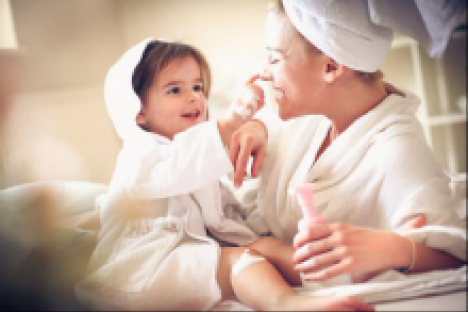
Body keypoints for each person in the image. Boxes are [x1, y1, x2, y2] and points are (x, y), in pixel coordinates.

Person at [74, 38, 375, 311]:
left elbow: (223, 211)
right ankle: (287, 304)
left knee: (263, 247)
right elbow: (182, 166)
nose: (193, 98)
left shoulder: (195, 154)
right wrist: (234, 119)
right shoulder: (140, 155)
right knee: (240, 261)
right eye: (175, 90)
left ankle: (338, 272)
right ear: (137, 110)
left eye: (197, 87)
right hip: (143, 268)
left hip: (186, 251)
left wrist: (257, 228)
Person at [227, 0, 466, 288]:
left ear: (331, 66)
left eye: (275, 59)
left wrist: (401, 251)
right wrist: (257, 126)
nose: (264, 73)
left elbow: (455, 257)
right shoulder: (314, 117)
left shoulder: (397, 153)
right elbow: (273, 126)